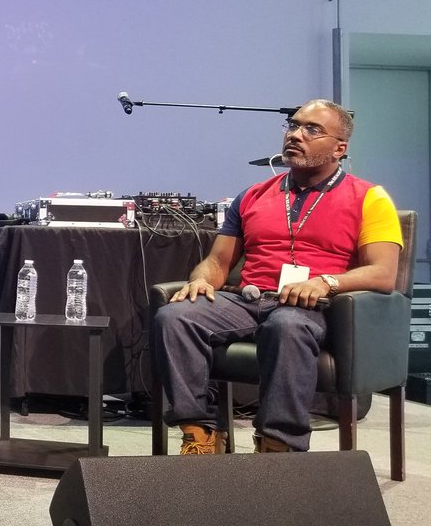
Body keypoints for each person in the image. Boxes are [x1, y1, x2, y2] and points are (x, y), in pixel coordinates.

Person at [151, 98, 402, 455]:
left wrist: (325, 282)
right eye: (293, 126)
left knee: (286, 325)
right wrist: (201, 279)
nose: (296, 134)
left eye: (312, 129)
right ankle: (201, 433)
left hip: (315, 305)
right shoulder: (252, 196)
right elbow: (218, 262)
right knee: (175, 316)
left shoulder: (370, 198)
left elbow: (383, 273)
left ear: (340, 148)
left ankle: (278, 446)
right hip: (250, 298)